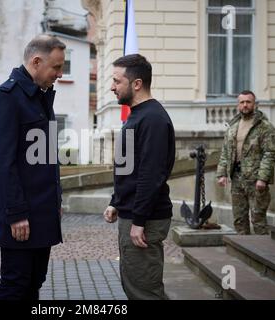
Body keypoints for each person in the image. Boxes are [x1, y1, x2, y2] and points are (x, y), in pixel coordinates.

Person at [0, 35, 65, 300]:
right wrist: (16, 213)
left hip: (41, 212)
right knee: (15, 285)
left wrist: (56, 200)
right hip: (21, 217)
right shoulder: (6, 98)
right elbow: (2, 163)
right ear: (36, 61)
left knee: (34, 283)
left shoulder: (39, 97)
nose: (60, 73)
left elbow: (45, 157)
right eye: (56, 67)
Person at [103, 54, 176, 300]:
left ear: (136, 84)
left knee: (144, 292)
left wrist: (139, 220)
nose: (112, 87)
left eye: (116, 81)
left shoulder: (153, 118)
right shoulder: (137, 114)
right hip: (132, 213)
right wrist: (116, 201)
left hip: (144, 219)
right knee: (135, 286)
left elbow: (151, 175)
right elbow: (128, 167)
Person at [216, 90, 275, 235]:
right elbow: (225, 152)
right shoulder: (233, 127)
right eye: (242, 102)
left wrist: (263, 178)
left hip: (255, 180)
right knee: (239, 220)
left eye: (248, 102)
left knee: (258, 220)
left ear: (254, 104)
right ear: (238, 105)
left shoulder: (264, 127)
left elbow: (270, 153)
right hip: (237, 179)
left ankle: (262, 254)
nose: (245, 105)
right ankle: (243, 253)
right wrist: (222, 173)